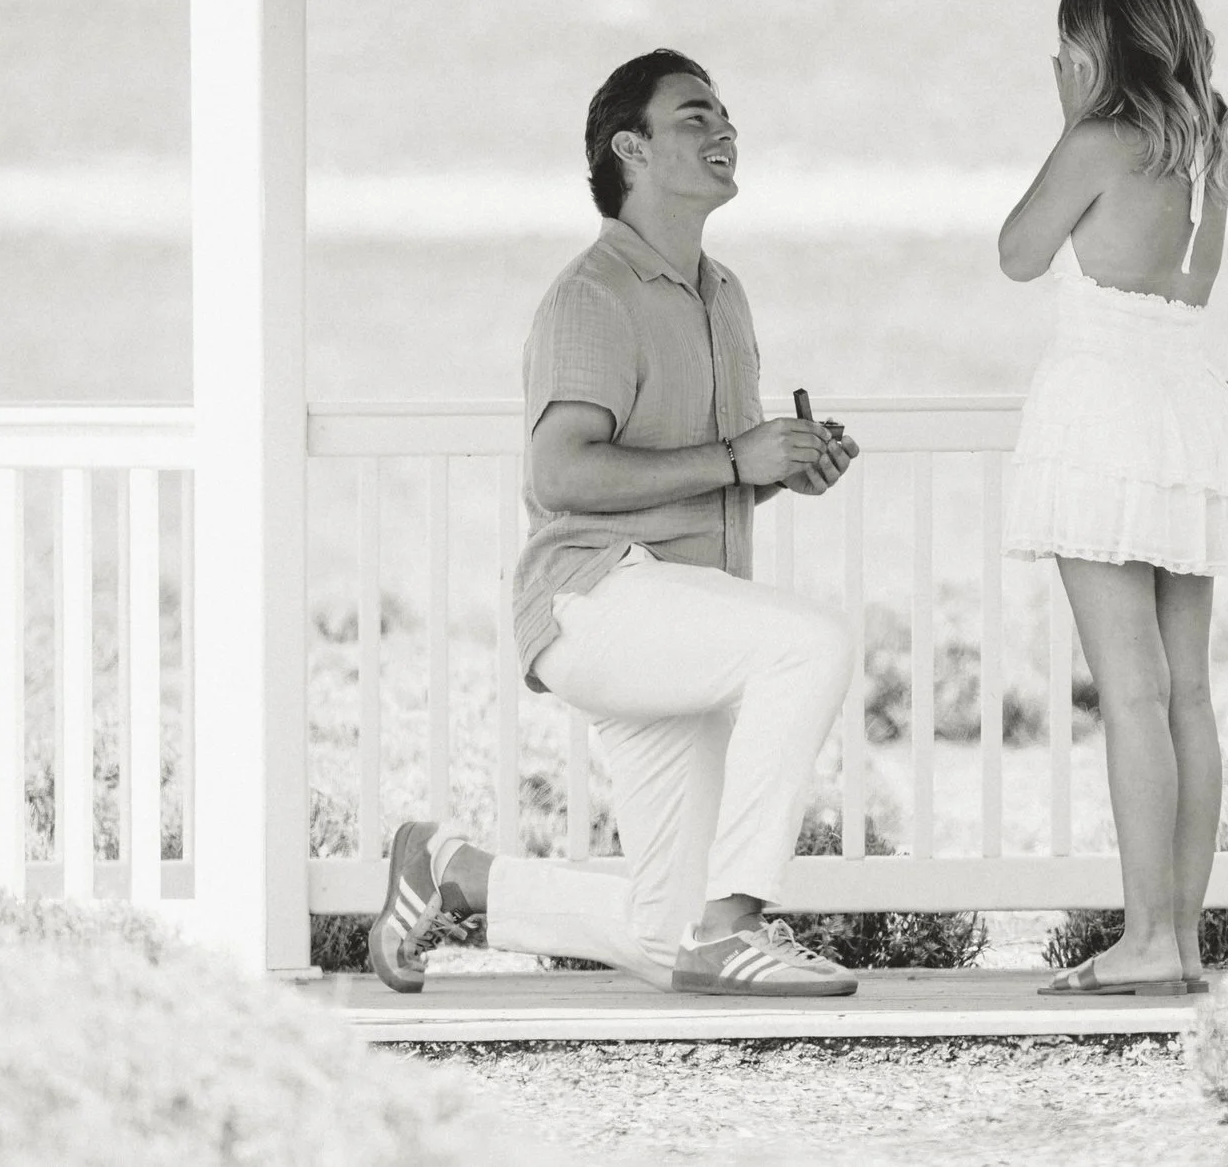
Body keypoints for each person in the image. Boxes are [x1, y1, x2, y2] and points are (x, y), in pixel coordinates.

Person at [368, 48, 864, 999]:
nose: (724, 129)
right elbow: (561, 473)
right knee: (812, 643)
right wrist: (737, 457)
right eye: (695, 116)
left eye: (725, 114)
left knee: (663, 937)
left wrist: (781, 468)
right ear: (630, 150)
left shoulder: (724, 294)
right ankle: (736, 925)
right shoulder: (591, 297)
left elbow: (700, 469)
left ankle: (450, 870)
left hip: (678, 614)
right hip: (593, 598)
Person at [998, 0, 1228, 997]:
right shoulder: (1205, 141)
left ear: (1091, 37)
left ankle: (1147, 934)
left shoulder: (1098, 139)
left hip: (1105, 412)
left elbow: (1018, 252)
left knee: (1132, 693)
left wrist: (1069, 118)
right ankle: (1180, 938)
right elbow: (1191, 288)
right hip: (1184, 405)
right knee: (1186, 693)